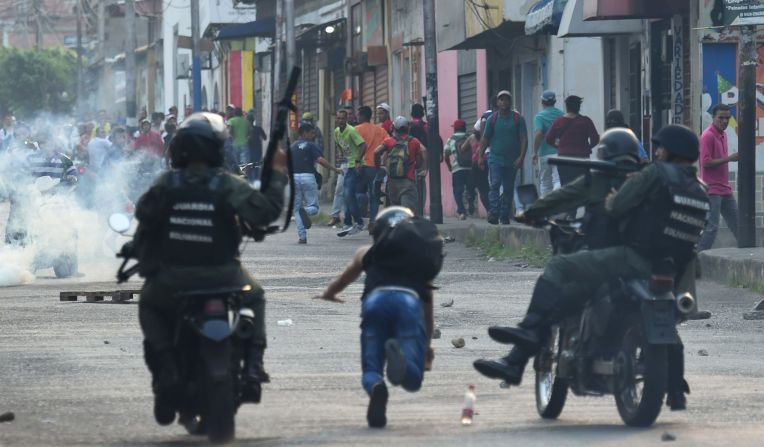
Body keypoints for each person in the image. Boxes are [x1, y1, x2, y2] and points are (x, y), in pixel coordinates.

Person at [474, 125, 708, 411]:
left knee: (560, 273)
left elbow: (611, 205)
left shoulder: (643, 176)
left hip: (630, 260)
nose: (656, 152)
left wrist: (529, 213)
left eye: (660, 148)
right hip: (672, 272)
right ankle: (675, 388)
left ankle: (525, 338)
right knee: (668, 324)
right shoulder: (698, 188)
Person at [131, 112, 287, 425]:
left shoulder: (166, 183)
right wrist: (279, 173)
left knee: (148, 303)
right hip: (224, 275)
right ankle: (254, 365)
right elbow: (266, 212)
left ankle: (166, 368)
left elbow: (144, 215)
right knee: (255, 295)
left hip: (171, 280)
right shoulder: (227, 184)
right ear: (217, 149)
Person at [316, 206, 443, 428]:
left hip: (376, 303)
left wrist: (329, 294)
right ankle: (402, 360)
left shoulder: (367, 252)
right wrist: (427, 348)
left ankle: (376, 387)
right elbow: (428, 314)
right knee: (413, 380)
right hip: (409, 304)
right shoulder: (420, 262)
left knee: (371, 368)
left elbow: (344, 279)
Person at [478, 90, 528, 225]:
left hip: (512, 161)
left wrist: (521, 157)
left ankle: (504, 215)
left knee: (508, 188)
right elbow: (485, 139)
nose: (504, 102)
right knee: (495, 184)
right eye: (501, 99)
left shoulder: (518, 119)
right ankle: (494, 212)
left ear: (510, 102)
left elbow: (524, 139)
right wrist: (480, 156)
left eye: (507, 99)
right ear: (497, 102)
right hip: (495, 159)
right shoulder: (492, 119)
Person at [289, 122, 341, 244]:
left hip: (294, 177)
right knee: (314, 207)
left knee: (296, 209)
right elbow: (320, 160)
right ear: (304, 133)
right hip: (308, 177)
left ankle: (302, 237)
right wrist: (334, 169)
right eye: (311, 133)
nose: (313, 135)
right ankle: (305, 211)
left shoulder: (291, 147)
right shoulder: (311, 145)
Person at [697, 103, 738, 251]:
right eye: (721, 118)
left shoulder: (724, 135)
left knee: (739, 225)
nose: (725, 121)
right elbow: (706, 163)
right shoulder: (708, 136)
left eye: (727, 118)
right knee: (711, 228)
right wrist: (729, 159)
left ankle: (748, 252)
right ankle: (696, 258)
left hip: (725, 188)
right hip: (712, 189)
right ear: (713, 118)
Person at [374, 116, 428, 214]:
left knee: (396, 212)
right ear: (408, 128)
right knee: (408, 214)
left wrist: (378, 166)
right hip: (408, 181)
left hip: (392, 182)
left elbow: (376, 152)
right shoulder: (414, 141)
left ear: (394, 128)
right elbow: (423, 151)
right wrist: (421, 167)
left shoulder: (389, 141)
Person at [546, 95, 600, 186]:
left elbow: (548, 139)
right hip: (582, 159)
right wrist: (588, 147)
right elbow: (595, 139)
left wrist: (559, 147)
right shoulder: (586, 121)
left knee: (566, 187)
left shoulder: (559, 121)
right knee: (582, 186)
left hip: (564, 159)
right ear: (579, 107)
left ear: (567, 107)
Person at [355, 106, 389, 234]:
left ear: (363, 116)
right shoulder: (380, 130)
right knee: (375, 196)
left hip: (359, 166)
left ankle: (361, 215)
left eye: (358, 115)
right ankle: (373, 222)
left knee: (358, 193)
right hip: (375, 166)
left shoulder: (356, 130)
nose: (357, 118)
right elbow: (388, 144)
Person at [334, 109, 367, 237]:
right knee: (347, 195)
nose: (340, 120)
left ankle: (358, 222)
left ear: (347, 119)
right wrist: (341, 154)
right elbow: (338, 144)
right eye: (338, 118)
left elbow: (363, 145)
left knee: (348, 193)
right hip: (348, 165)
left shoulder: (352, 131)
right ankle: (349, 223)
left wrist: (358, 160)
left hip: (356, 166)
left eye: (343, 118)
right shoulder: (337, 131)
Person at [532, 91, 563, 196]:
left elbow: (538, 133)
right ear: (555, 101)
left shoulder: (539, 117)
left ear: (542, 102)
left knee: (545, 183)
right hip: (559, 152)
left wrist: (535, 152)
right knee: (558, 180)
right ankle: (557, 201)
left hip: (544, 153)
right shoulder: (562, 115)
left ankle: (545, 208)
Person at [444, 119, 474, 219]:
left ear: (455, 129)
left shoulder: (451, 139)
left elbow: (446, 155)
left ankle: (461, 212)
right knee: (471, 188)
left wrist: (449, 166)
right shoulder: (470, 137)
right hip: (470, 167)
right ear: (465, 128)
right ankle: (470, 201)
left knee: (458, 191)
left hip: (457, 168)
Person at [465, 119, 490, 214]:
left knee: (481, 189)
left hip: (477, 163)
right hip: (491, 162)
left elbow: (462, 149)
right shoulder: (491, 136)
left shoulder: (472, 138)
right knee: (489, 187)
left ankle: (490, 211)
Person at [409, 104, 430, 217]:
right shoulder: (426, 126)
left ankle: (413, 210)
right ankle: (420, 209)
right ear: (422, 113)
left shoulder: (408, 126)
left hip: (409, 159)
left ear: (411, 113)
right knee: (421, 183)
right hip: (423, 158)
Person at [247, 109, 268, 182]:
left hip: (249, 151)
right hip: (258, 151)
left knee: (249, 168)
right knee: (256, 169)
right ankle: (255, 183)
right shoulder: (258, 128)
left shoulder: (246, 129)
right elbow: (265, 138)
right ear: (253, 120)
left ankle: (250, 183)